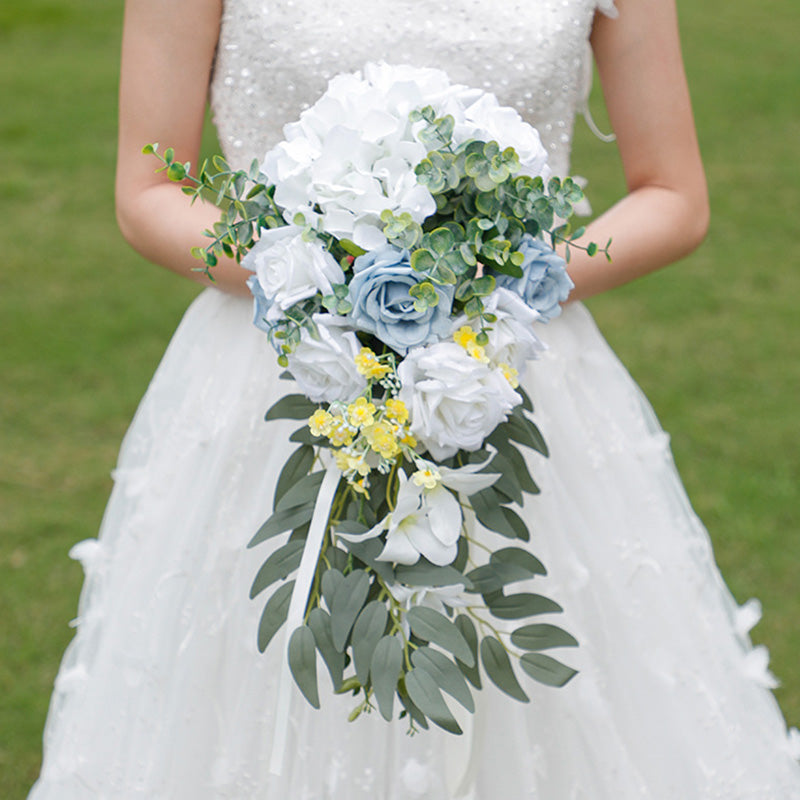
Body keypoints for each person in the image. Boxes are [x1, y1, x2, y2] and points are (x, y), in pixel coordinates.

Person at [29, 0, 800, 797]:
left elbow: (675, 195)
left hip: (505, 372)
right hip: (287, 373)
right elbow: (148, 188)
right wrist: (324, 282)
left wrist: (494, 289)